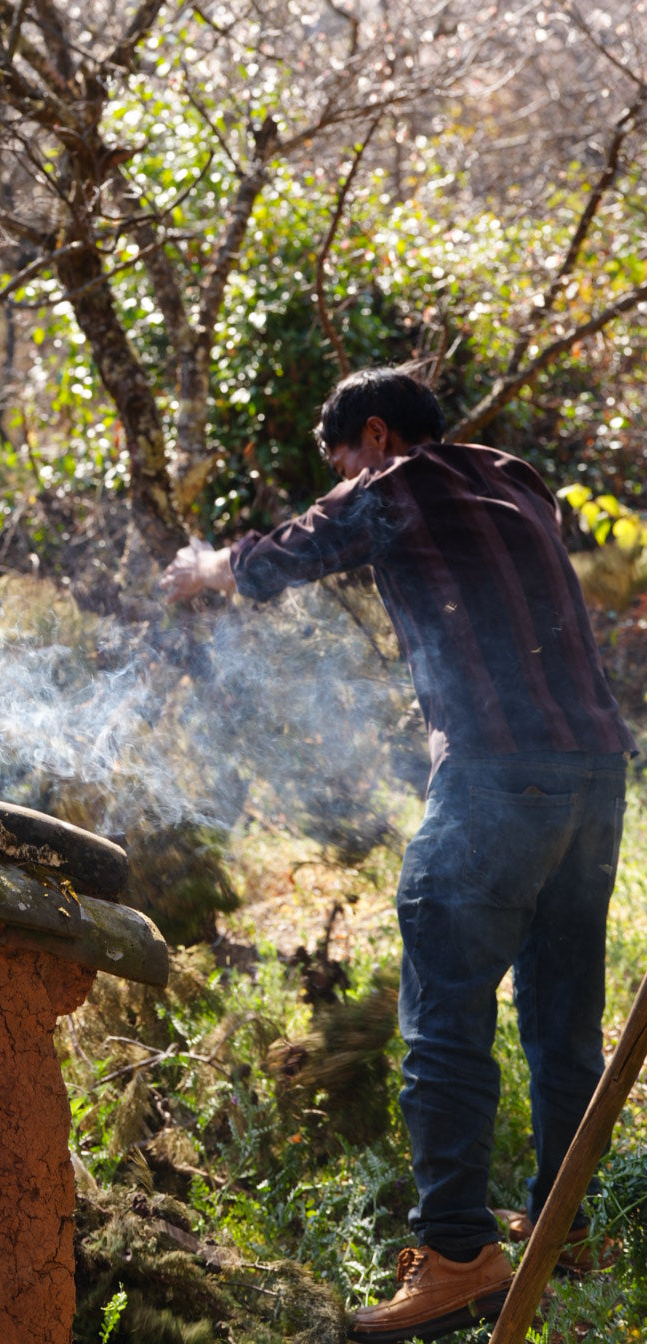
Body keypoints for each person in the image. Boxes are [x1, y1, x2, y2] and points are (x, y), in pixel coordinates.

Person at [161, 368, 631, 1342]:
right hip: (596, 771)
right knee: (560, 1017)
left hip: (501, 770)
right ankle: (566, 1225)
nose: (340, 474)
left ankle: (457, 1254)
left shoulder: (397, 483)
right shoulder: (513, 473)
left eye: (339, 457)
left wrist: (205, 567)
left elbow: (288, 552)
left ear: (374, 433)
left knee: (444, 1012)